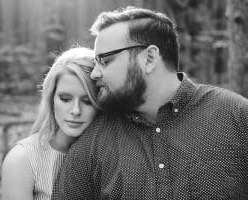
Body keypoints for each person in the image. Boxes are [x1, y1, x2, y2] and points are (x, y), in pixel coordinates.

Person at [51, 7, 248, 199]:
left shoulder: (236, 116)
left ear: (150, 58)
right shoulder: (93, 140)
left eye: (105, 60)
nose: (95, 73)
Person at [1, 47, 99, 200]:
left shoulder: (110, 154)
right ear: (51, 99)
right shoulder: (22, 160)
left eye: (87, 101)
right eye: (65, 99)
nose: (75, 110)